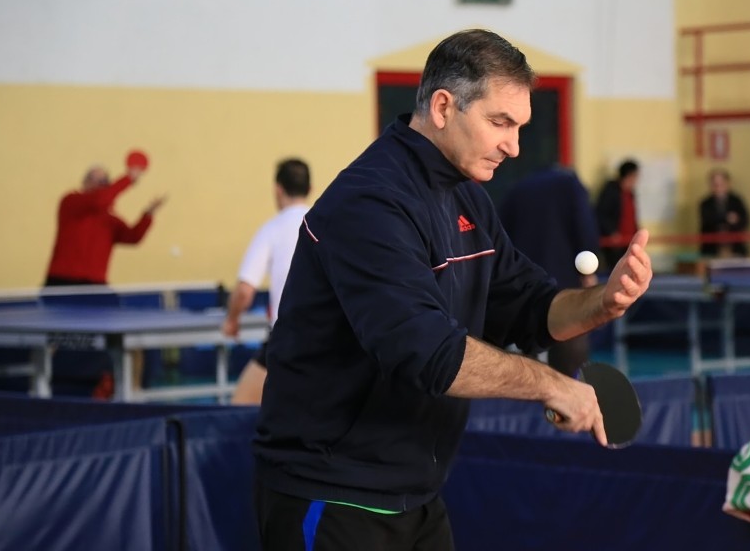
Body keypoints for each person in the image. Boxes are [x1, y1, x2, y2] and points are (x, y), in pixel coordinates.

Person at [252, 29, 652, 551]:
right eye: (500, 122)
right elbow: (427, 352)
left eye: (520, 127)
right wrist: (551, 385)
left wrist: (602, 302)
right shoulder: (370, 202)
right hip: (335, 494)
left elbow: (527, 306)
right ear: (443, 107)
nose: (514, 146)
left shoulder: (468, 196)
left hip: (417, 495)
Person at [223, 158, 311, 405]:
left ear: (278, 189)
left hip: (287, 338)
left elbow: (244, 291)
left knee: (240, 407)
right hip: (327, 338)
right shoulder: (325, 223)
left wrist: (232, 320)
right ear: (310, 189)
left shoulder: (272, 229)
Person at [498, 164, 601, 376]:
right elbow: (583, 226)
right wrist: (589, 272)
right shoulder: (570, 185)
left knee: (524, 347)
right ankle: (571, 387)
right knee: (570, 335)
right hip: (563, 276)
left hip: (521, 278)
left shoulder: (518, 188)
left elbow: (500, 233)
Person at [45, 163, 166, 285]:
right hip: (63, 279)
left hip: (95, 283)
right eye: (94, 179)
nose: (99, 185)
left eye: (103, 182)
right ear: (84, 182)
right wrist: (128, 178)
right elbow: (99, 200)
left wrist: (148, 213)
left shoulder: (109, 219)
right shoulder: (70, 201)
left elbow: (133, 237)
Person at [595, 159, 640, 271]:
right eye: (635, 176)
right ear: (629, 175)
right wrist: (611, 232)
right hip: (614, 244)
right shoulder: (611, 191)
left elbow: (631, 216)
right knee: (616, 271)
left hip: (629, 241)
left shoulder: (630, 193)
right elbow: (600, 214)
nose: (636, 180)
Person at [698, 168, 750, 258]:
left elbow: (745, 220)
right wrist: (728, 218)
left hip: (735, 249)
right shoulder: (705, 203)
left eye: (721, 184)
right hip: (711, 250)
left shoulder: (736, 201)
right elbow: (708, 221)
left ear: (728, 183)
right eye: (715, 184)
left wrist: (732, 221)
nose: (718, 187)